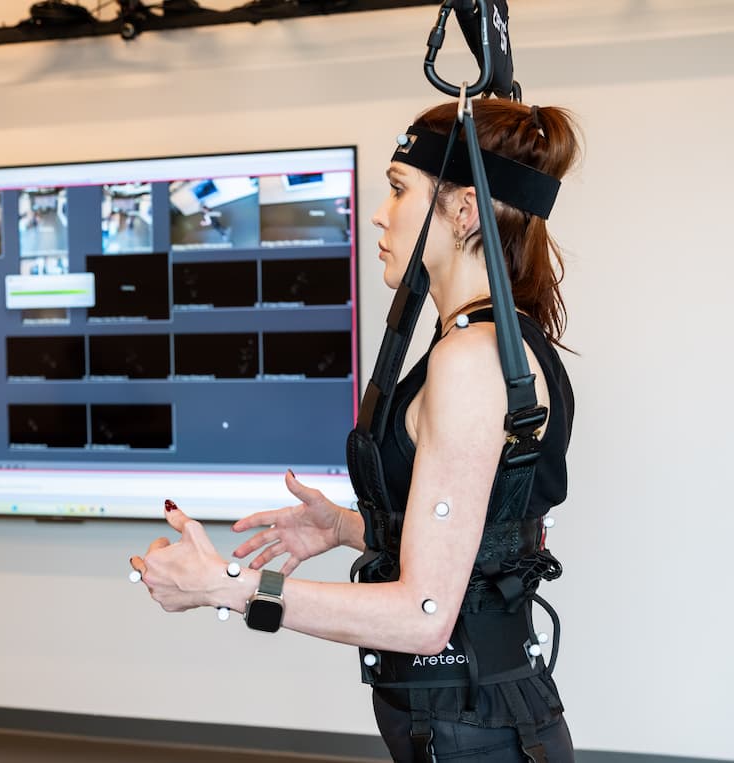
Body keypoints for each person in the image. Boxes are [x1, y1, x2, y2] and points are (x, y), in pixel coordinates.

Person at [130, 98, 581, 762]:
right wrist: (347, 527)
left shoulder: (470, 360)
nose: (379, 212)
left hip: (473, 737)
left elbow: (425, 618)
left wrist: (225, 583)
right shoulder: (489, 341)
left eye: (399, 190)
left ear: (461, 212)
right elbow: (480, 541)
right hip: (467, 727)